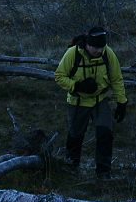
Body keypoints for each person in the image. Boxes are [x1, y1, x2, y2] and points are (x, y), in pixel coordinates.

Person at [54, 26, 128, 177]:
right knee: (75, 135)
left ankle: (103, 172)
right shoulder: (72, 53)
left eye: (101, 47)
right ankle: (71, 168)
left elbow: (116, 78)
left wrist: (121, 102)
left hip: (100, 100)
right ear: (87, 43)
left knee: (105, 133)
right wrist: (77, 86)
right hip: (78, 101)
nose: (98, 51)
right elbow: (59, 77)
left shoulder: (108, 53)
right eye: (95, 47)